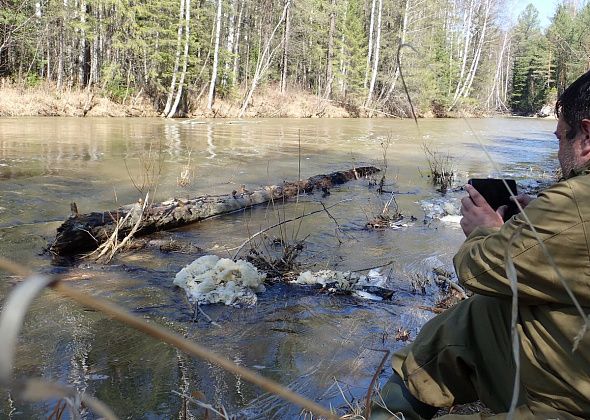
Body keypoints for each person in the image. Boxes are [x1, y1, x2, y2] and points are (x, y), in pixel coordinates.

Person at [371, 69, 590, 419]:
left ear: (587, 136)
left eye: (562, 137)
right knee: (482, 315)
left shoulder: (578, 203)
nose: (558, 149)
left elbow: (479, 270)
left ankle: (388, 412)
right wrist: (542, 217)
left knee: (482, 309)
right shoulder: (573, 208)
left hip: (573, 403)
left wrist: (484, 230)